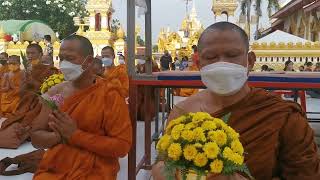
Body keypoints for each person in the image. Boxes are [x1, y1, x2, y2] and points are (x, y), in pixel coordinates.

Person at [152, 22, 320, 180]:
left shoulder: (283, 115)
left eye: (232, 55)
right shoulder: (183, 112)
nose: (222, 64)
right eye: (211, 57)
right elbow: (162, 163)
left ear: (250, 61)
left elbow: (307, 175)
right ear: (199, 63)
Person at [29, 35, 132, 180]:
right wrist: (57, 136)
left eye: (70, 58)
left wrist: (74, 135)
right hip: (56, 167)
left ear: (88, 61)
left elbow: (122, 147)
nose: (64, 64)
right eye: (61, 58)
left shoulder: (109, 94)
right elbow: (36, 137)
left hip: (95, 170)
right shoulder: (56, 94)